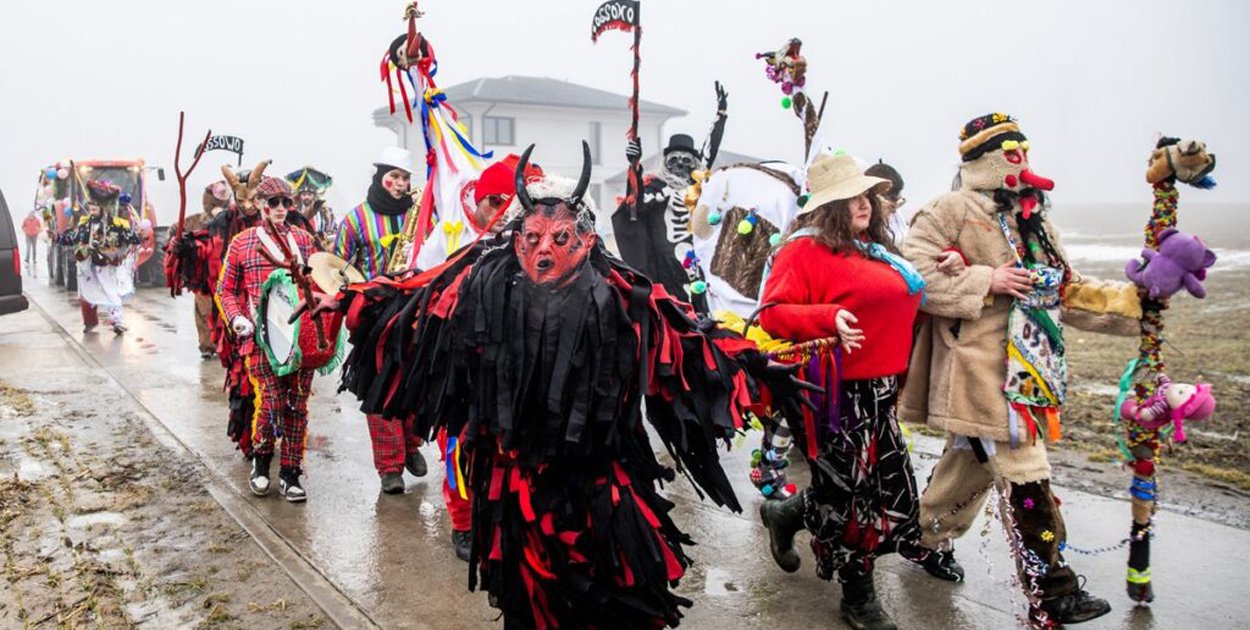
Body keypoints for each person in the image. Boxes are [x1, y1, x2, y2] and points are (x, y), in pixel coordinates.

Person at [332, 141, 813, 629]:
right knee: (527, 602)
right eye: (533, 236)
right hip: (514, 488)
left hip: (602, 482)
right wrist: (355, 301)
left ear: (585, 241)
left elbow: (689, 345)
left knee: (613, 599)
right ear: (515, 239)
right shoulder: (481, 288)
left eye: (559, 238)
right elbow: (412, 307)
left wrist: (754, 371)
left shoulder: (622, 299)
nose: (544, 251)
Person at [898, 113, 1119, 627]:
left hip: (1034, 369)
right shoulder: (951, 209)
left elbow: (1069, 292)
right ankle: (1053, 590)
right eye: (1009, 152)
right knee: (1026, 471)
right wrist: (985, 278)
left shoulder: (1037, 223)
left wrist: (1138, 306)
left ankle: (919, 539)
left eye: (1025, 150)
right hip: (978, 369)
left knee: (968, 469)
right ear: (982, 161)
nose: (1021, 162)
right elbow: (911, 274)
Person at [755, 153, 924, 630]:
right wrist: (827, 317)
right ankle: (858, 598)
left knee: (892, 494)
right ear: (827, 206)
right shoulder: (802, 250)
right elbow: (771, 313)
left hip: (882, 389)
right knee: (855, 503)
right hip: (834, 391)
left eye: (865, 193)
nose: (862, 203)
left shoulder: (872, 248)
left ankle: (787, 512)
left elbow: (904, 297)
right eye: (849, 197)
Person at [412, 153, 540, 562]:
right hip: (458, 371)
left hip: (512, 371)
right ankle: (464, 524)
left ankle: (509, 519)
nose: (501, 213)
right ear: (480, 199)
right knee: (457, 448)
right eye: (494, 201)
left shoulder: (531, 240)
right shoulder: (448, 235)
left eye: (510, 204)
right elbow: (417, 287)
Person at [216, 177, 318, 502]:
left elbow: (318, 281)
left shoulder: (303, 239)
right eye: (273, 202)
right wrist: (237, 318)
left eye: (285, 203)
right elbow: (226, 289)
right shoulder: (243, 242)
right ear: (260, 204)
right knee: (271, 401)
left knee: (296, 405)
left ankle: (290, 472)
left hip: (298, 335)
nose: (280, 209)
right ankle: (261, 464)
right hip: (260, 337)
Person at [334, 146, 429, 493]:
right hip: (374, 318)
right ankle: (390, 467)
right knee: (379, 391)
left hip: (416, 310)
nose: (400, 184)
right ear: (380, 178)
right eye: (394, 177)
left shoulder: (422, 216)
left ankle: (411, 445)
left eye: (405, 178)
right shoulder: (355, 220)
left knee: (417, 384)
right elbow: (338, 266)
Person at [611, 83, 728, 314]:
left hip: (698, 266)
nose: (681, 166)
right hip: (664, 268)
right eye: (676, 161)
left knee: (703, 311)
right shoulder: (656, 188)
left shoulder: (697, 187)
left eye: (687, 161)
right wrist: (634, 165)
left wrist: (721, 116)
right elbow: (635, 203)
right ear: (667, 163)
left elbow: (708, 152)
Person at [73, 181, 141, 334]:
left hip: (106, 264)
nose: (91, 211)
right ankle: (89, 322)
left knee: (111, 291)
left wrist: (132, 238)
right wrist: (59, 238)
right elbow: (74, 238)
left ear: (103, 208)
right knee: (86, 293)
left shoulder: (117, 224)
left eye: (95, 208)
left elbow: (132, 239)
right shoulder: (85, 223)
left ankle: (117, 321)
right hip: (87, 264)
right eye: (90, 208)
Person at [182, 181, 231, 358]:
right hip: (202, 276)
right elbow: (177, 233)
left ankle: (225, 344)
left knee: (226, 310)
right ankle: (207, 345)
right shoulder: (195, 220)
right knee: (204, 310)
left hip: (227, 274)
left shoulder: (232, 221)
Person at [286, 166, 336, 251]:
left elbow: (333, 230)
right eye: (304, 194)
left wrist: (326, 237)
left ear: (314, 195)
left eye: (309, 194)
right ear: (300, 195)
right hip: (299, 247)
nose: (306, 197)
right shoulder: (293, 211)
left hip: (321, 248)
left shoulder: (325, 211)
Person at [22, 211, 41, 277]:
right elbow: (23, 226)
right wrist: (25, 231)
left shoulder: (37, 220)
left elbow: (39, 226)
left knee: (34, 248)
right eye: (30, 216)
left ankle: (34, 259)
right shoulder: (26, 220)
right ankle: (27, 259)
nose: (31, 217)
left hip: (34, 235)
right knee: (28, 247)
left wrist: (37, 231)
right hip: (28, 235)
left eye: (32, 216)